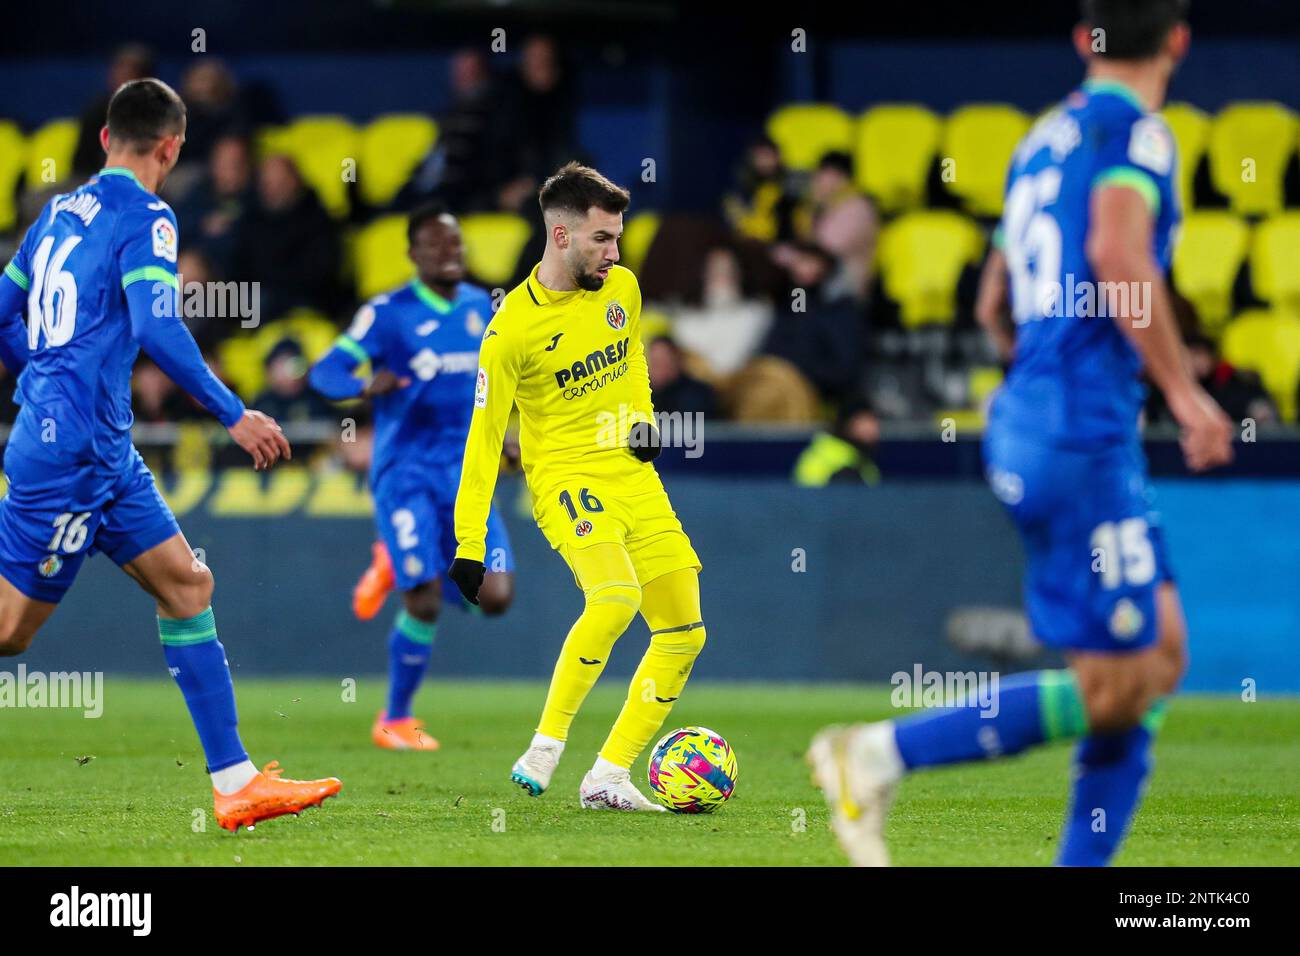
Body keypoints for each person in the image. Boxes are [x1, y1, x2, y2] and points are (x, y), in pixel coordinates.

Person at [808, 0, 1234, 866]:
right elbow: (1119, 256)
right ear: (1180, 41)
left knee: (1160, 655)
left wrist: (1036, 366)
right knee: (1117, 684)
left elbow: (992, 298)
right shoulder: (1140, 136)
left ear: (1084, 40)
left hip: (1048, 418)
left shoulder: (1040, 138)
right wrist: (1186, 394)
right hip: (1078, 431)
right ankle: (881, 754)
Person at [0, 78, 341, 831]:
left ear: (102, 141)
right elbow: (157, 326)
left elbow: (3, 310)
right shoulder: (147, 214)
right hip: (68, 457)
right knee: (9, 633)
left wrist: (39, 367)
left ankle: (235, 783)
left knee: (188, 585)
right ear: (172, 147)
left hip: (105, 451)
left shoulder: (55, 211)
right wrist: (233, 412)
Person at [450, 163, 706, 811]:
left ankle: (610, 777)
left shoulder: (622, 288)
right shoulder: (509, 331)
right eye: (602, 239)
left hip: (634, 479)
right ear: (560, 236)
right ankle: (546, 743)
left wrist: (643, 423)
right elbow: (483, 442)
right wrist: (470, 541)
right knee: (615, 597)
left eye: (617, 238)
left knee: (684, 631)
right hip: (566, 479)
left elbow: (634, 366)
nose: (614, 253)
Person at [309, 202, 515, 751]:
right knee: (422, 601)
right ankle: (395, 720)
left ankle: (396, 562)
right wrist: (361, 386)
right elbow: (326, 370)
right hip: (407, 471)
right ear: (412, 254)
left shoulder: (485, 308)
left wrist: (509, 437)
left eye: (457, 245)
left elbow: (504, 381)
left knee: (494, 596)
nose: (450, 254)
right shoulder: (388, 313)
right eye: (437, 245)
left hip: (467, 470)